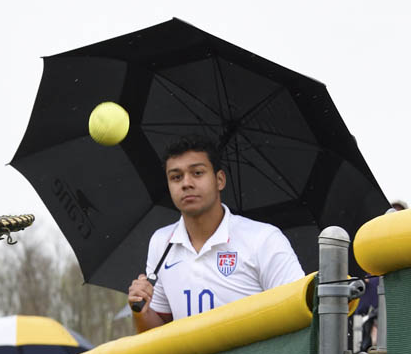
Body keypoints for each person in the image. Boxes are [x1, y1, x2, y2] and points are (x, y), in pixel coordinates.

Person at [127, 136, 305, 333]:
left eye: (197, 173)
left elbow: (299, 312)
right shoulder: (160, 242)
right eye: (176, 177)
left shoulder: (264, 239)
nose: (186, 183)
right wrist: (141, 312)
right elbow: (158, 332)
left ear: (219, 180)